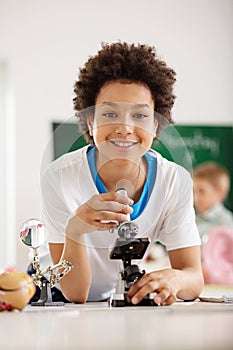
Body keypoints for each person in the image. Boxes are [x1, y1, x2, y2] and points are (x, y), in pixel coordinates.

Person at [40, 42, 203, 306]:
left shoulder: (175, 180)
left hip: (114, 302)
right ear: (91, 122)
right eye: (110, 113)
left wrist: (175, 279)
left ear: (156, 124)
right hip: (56, 298)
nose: (125, 128)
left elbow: (193, 277)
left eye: (139, 115)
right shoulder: (59, 176)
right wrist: (75, 230)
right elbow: (76, 294)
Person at [193, 161, 233, 239]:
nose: (195, 197)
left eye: (201, 191)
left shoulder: (227, 223)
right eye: (193, 191)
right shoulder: (195, 219)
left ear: (220, 192)